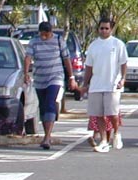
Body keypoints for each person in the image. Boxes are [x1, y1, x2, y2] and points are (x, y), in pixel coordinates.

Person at [23, 21, 76, 150]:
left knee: (50, 102)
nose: (44, 37)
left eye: (46, 34)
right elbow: (28, 57)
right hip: (40, 78)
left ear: (50, 32)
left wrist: (71, 77)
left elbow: (66, 59)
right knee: (43, 106)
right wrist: (26, 73)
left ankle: (47, 137)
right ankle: (47, 134)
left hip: (55, 76)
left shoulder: (58, 40)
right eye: (42, 34)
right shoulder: (34, 42)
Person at [80, 18, 128, 152]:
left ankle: (116, 133)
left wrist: (123, 79)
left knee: (112, 114)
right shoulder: (93, 46)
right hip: (96, 85)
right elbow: (89, 67)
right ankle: (104, 140)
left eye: (106, 28)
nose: (104, 30)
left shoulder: (118, 44)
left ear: (111, 29)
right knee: (99, 114)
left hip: (112, 85)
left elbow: (124, 63)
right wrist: (85, 84)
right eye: (102, 28)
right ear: (98, 29)